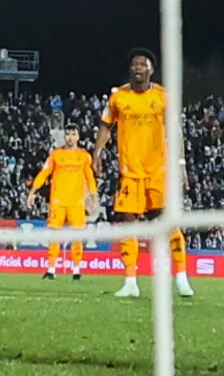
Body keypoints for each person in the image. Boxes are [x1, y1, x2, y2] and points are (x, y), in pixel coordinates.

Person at [94, 49, 194, 298]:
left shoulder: (163, 96)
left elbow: (175, 131)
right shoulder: (118, 97)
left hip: (157, 171)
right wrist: (96, 153)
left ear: (151, 70)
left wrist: (181, 164)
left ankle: (181, 276)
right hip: (129, 171)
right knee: (128, 223)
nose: (138, 67)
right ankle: (130, 281)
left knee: (166, 219)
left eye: (143, 64)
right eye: (134, 64)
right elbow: (106, 126)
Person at [28, 124, 96, 280]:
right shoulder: (56, 155)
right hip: (58, 201)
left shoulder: (84, 156)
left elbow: (90, 178)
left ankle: (77, 270)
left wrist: (93, 198)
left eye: (73, 134)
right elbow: (44, 173)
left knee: (77, 237)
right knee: (54, 236)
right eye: (68, 134)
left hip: (76, 203)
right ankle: (51, 269)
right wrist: (32, 192)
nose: (70, 138)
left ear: (78, 137)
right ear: (64, 136)